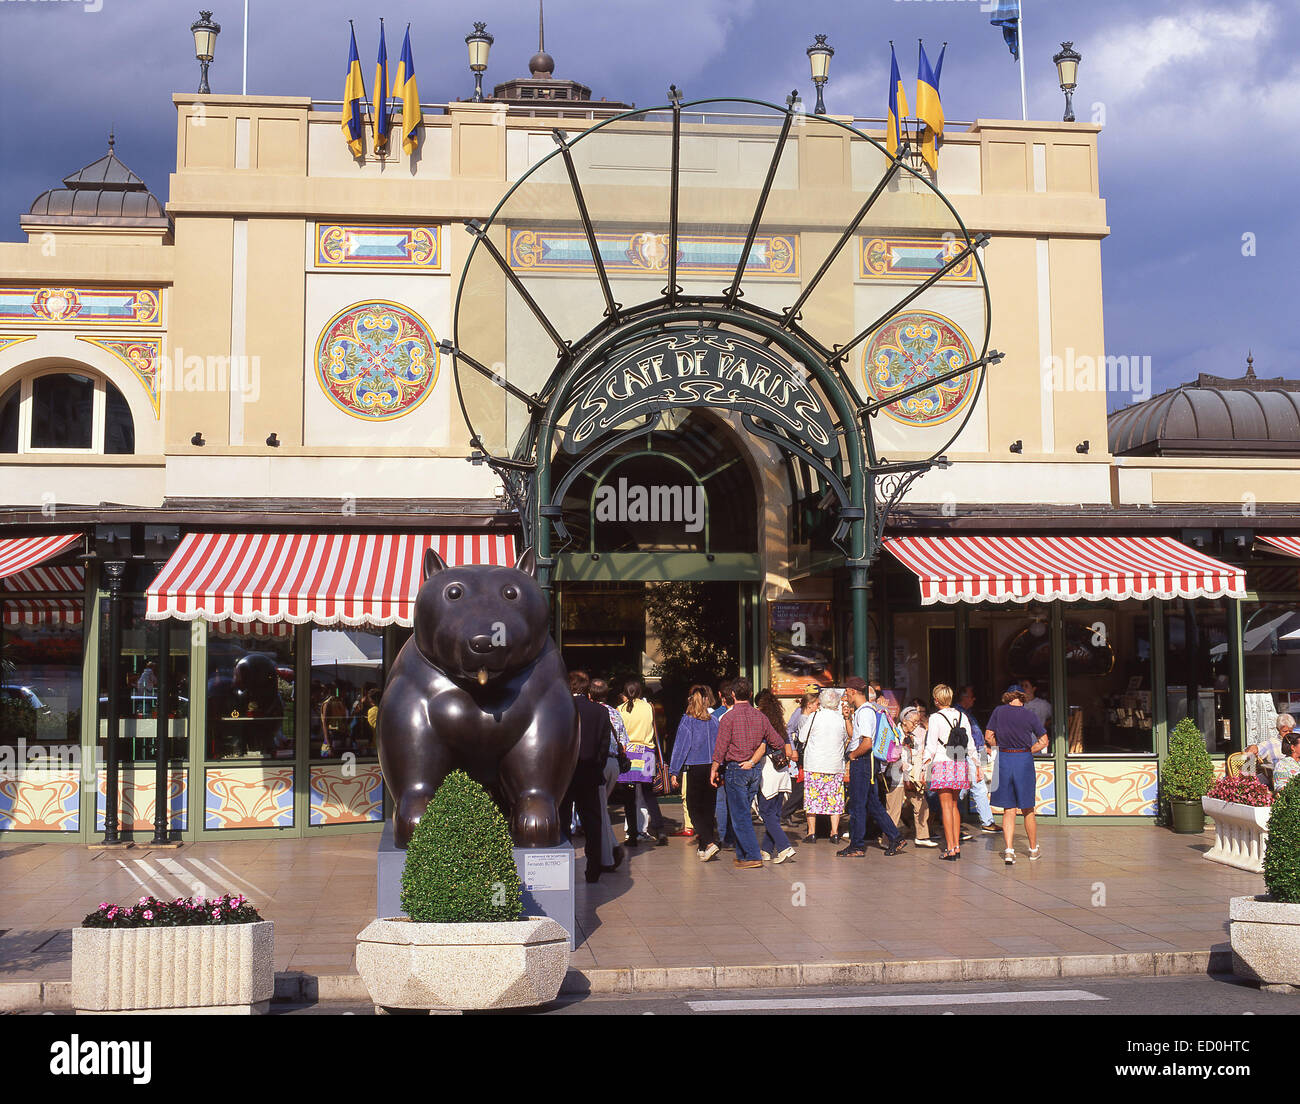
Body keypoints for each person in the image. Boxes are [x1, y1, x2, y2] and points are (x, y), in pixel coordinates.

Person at [710, 676, 783, 868]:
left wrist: (714, 769)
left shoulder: (728, 718)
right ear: (750, 694)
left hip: (735, 769)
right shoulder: (761, 717)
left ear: (732, 695)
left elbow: (721, 747)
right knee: (743, 810)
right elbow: (777, 742)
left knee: (740, 814)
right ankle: (742, 854)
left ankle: (752, 854)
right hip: (754, 769)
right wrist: (757, 754)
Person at [838, 676, 905, 858]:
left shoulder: (865, 711)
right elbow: (858, 737)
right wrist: (848, 719)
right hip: (867, 762)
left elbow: (866, 743)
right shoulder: (863, 711)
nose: (845, 696)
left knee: (857, 805)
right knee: (872, 804)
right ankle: (896, 837)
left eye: (846, 692)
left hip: (863, 762)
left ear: (853, 691)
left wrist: (852, 755)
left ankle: (857, 845)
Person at [986, 687, 1049, 864]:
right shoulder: (1029, 715)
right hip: (1023, 760)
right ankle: (1033, 849)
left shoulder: (998, 711)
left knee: (1009, 808)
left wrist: (1000, 745)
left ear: (1008, 697)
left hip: (1004, 759)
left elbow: (989, 736)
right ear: (1022, 698)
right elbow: (1044, 741)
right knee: (1028, 808)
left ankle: (1008, 850)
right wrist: (1029, 749)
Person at [565, 670, 615, 883]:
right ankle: (593, 868)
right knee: (592, 822)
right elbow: (604, 746)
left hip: (566, 774)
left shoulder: (561, 709)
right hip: (591, 773)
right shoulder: (600, 712)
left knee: (563, 821)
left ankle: (564, 869)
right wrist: (597, 767)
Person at [924, 683, 977, 860]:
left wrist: (924, 766)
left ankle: (950, 847)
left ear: (937, 700)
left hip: (942, 762)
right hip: (959, 763)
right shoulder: (963, 716)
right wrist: (977, 765)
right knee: (955, 806)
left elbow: (931, 745)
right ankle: (956, 846)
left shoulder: (935, 718)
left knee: (946, 807)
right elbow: (970, 745)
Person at [669, 685, 722, 861]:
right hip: (712, 767)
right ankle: (703, 846)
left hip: (695, 767)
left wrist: (674, 770)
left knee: (693, 808)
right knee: (707, 808)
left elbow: (680, 747)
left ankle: (708, 841)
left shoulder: (688, 720)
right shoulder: (715, 721)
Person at [618, 678, 668, 846]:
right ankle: (660, 830)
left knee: (629, 797)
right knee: (648, 794)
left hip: (628, 754)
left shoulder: (620, 709)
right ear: (640, 692)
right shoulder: (649, 707)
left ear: (625, 693)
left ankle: (632, 835)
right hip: (647, 753)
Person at [798, 687, 848, 843]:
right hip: (834, 765)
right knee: (834, 799)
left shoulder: (814, 717)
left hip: (814, 764)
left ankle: (811, 833)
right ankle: (834, 833)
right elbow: (846, 737)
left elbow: (801, 738)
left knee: (813, 799)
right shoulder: (840, 719)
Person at [755, 689, 798, 864]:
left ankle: (784, 847)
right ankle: (766, 850)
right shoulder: (781, 726)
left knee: (765, 812)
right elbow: (789, 752)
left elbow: (761, 748)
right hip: (782, 773)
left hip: (768, 773)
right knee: (774, 813)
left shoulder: (761, 723)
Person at [590, 678, 628, 872]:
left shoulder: (591, 712)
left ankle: (611, 851)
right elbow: (624, 740)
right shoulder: (615, 712)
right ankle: (610, 849)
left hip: (600, 763)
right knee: (601, 807)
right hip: (614, 763)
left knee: (599, 809)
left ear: (590, 694)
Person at [885, 706, 934, 846]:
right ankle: (889, 839)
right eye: (914, 722)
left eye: (918, 722)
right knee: (894, 808)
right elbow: (891, 754)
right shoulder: (895, 733)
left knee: (921, 803)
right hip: (897, 775)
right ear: (904, 721)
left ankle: (922, 836)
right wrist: (901, 763)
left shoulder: (914, 735)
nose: (916, 725)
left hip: (911, 775)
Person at [957, 684, 999, 835]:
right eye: (971, 696)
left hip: (974, 753)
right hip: (967, 754)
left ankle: (953, 819)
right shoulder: (960, 713)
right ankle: (985, 822)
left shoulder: (967, 713)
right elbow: (967, 738)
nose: (974, 699)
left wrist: (984, 747)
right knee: (970, 788)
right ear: (964, 697)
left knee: (969, 787)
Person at [783, 689, 820, 824]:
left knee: (803, 784)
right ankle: (785, 811)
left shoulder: (810, 715)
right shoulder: (802, 715)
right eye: (817, 703)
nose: (818, 706)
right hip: (805, 753)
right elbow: (789, 730)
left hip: (807, 753)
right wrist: (792, 749)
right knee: (802, 784)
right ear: (809, 704)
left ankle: (786, 811)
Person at [712, 681, 738, 850]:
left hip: (721, 763)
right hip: (739, 763)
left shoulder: (715, 716)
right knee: (736, 801)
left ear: (721, 696)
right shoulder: (743, 714)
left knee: (721, 800)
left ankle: (723, 836)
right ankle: (734, 835)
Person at [1247, 713, 1294, 780]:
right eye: (1285, 731)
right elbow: (1251, 751)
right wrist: (1253, 747)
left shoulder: (1296, 742)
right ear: (1278, 729)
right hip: (1277, 779)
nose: (1288, 734)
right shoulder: (1271, 743)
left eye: (1290, 731)